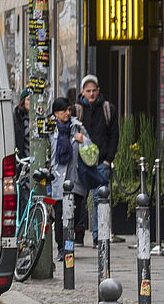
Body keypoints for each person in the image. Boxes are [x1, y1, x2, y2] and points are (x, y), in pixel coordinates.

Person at [73, 75, 118, 245]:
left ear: (98, 91)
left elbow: (114, 135)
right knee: (80, 200)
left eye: (94, 91)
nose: (91, 94)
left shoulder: (107, 109)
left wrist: (108, 159)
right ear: (82, 92)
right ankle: (78, 235)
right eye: (88, 91)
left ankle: (99, 237)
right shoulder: (76, 110)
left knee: (101, 199)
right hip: (81, 163)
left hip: (101, 162)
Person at [47, 97, 88, 261]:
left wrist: (83, 141)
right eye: (64, 110)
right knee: (60, 215)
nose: (68, 113)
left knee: (74, 216)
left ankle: (69, 247)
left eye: (69, 110)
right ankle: (62, 248)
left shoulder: (78, 127)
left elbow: (90, 149)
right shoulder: (49, 129)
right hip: (57, 180)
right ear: (56, 112)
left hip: (75, 179)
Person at [13, 91, 31, 160]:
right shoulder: (17, 117)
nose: (31, 102)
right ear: (23, 101)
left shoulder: (39, 118)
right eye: (29, 99)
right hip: (22, 158)